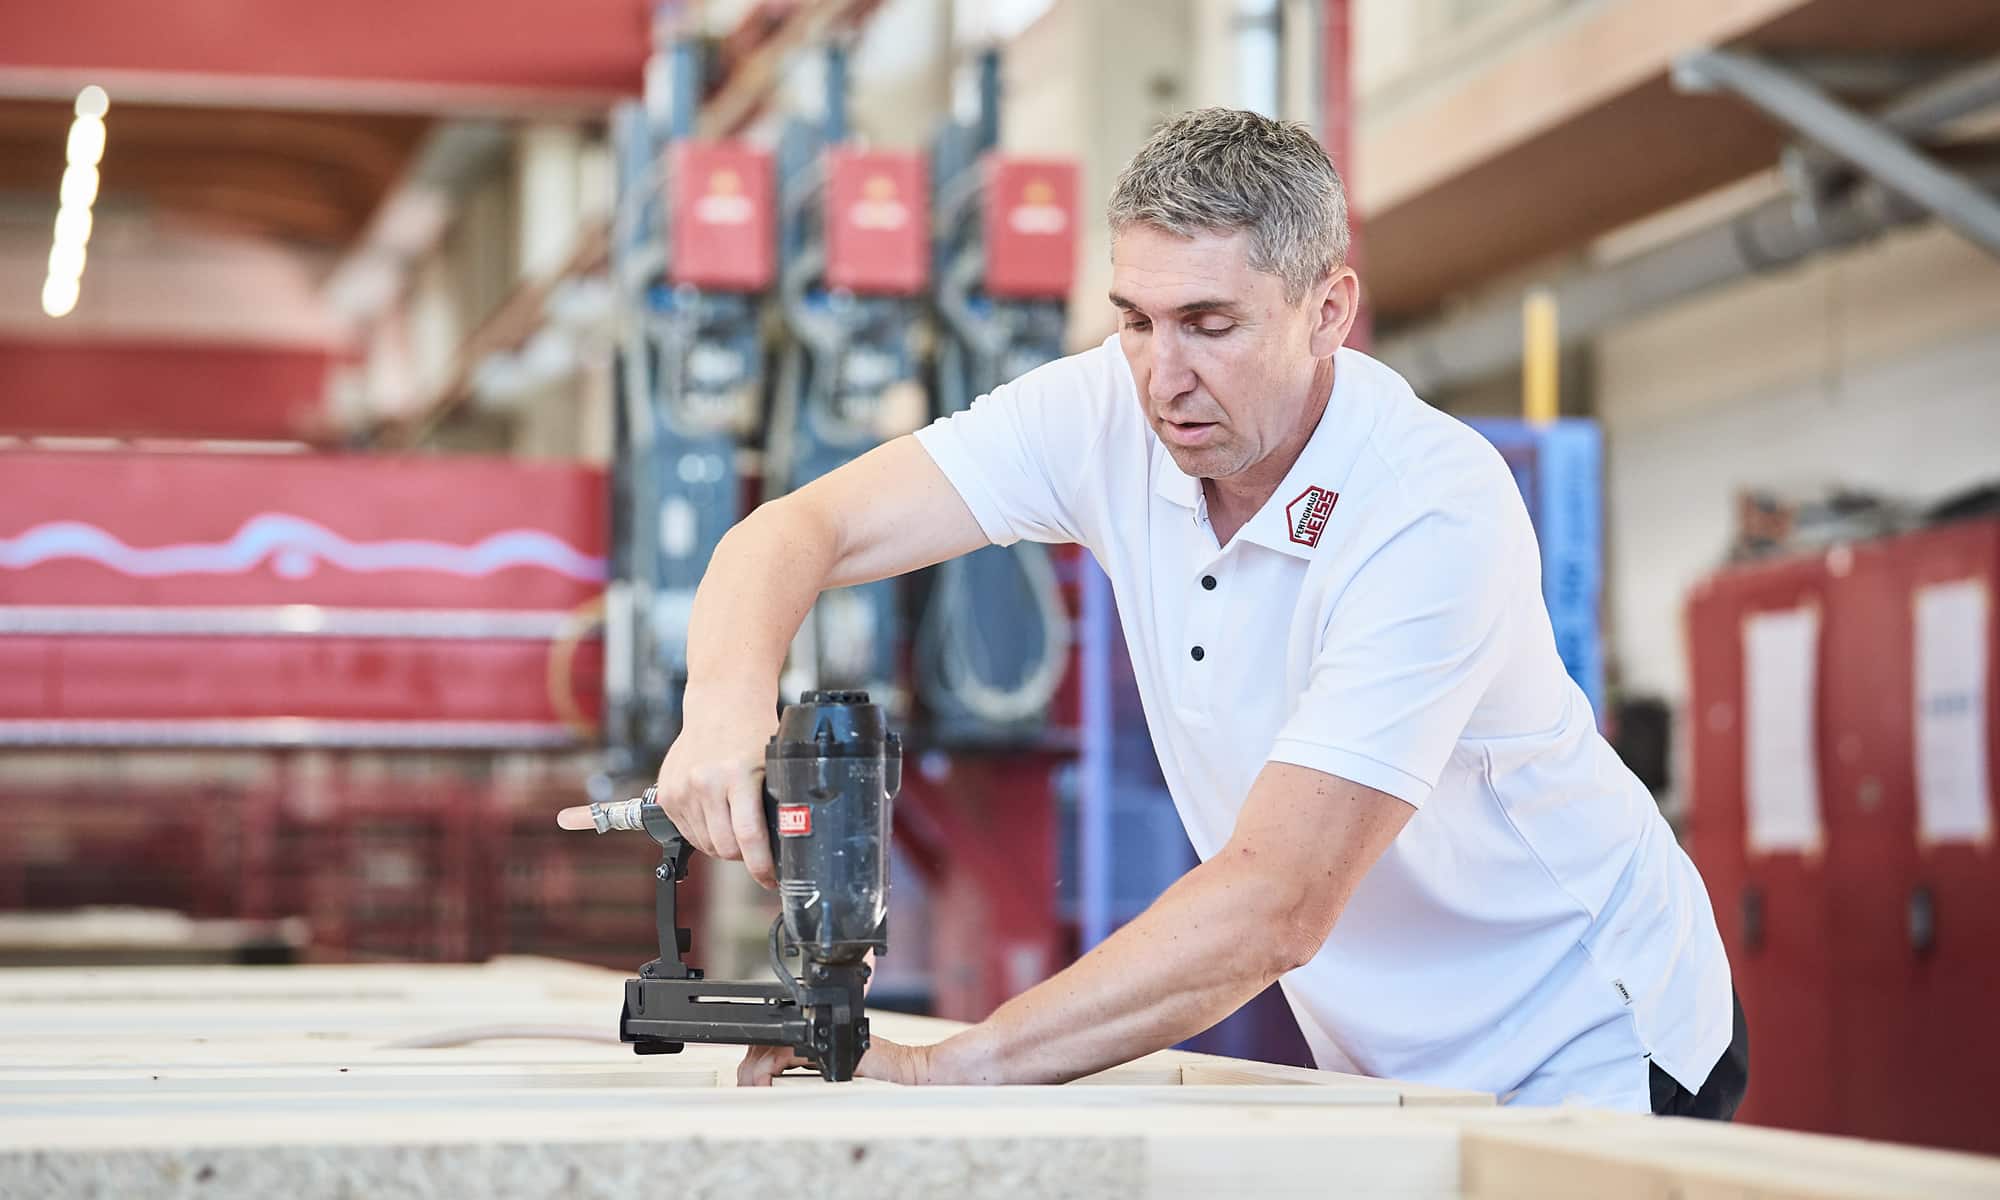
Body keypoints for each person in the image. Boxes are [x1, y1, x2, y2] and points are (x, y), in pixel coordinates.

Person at [647, 107, 1746, 1115]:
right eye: (1134, 320)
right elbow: (796, 532)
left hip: (1588, 1036)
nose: (1159, 377)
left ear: (1328, 311)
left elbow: (1274, 902)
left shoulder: (1425, 509)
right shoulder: (1103, 409)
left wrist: (952, 1067)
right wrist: (725, 710)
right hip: (1391, 1053)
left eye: (1209, 324)